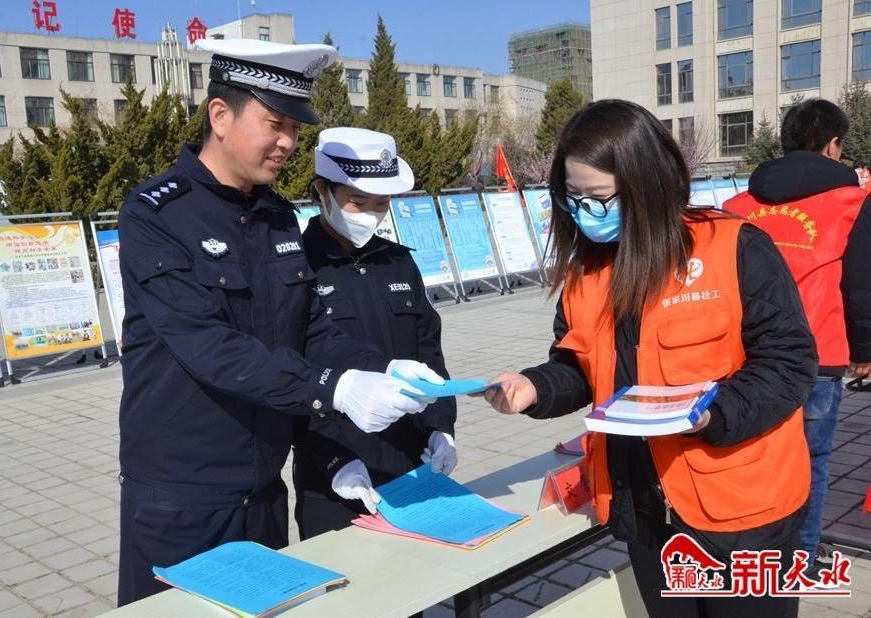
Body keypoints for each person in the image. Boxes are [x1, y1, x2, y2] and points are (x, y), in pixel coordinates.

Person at [116, 39, 443, 605]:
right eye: (275, 124)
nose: (289, 142)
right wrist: (334, 389)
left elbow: (311, 326)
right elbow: (209, 345)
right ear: (221, 116)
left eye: (294, 127)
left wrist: (383, 369)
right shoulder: (156, 216)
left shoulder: (276, 217)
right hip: (183, 495)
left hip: (263, 490)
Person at [481, 100, 816, 618]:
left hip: (742, 510)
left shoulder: (733, 248)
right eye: (573, 198)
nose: (585, 212)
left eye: (599, 198)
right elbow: (578, 366)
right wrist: (533, 388)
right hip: (647, 513)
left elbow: (789, 362)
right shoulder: (586, 273)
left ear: (648, 184)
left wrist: (710, 412)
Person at [724, 98, 871, 570]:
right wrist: (865, 349)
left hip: (746, 357)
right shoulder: (853, 203)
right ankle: (798, 558)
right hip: (819, 355)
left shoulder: (736, 207)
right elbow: (861, 284)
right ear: (832, 145)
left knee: (753, 456)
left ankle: (753, 552)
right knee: (812, 460)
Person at [292, 127, 458, 538]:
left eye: (381, 203)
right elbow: (289, 374)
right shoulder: (296, 268)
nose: (370, 214)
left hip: (409, 462)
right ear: (323, 191)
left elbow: (428, 352)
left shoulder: (397, 263)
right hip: (336, 475)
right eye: (357, 202)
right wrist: (333, 462)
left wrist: (441, 428)